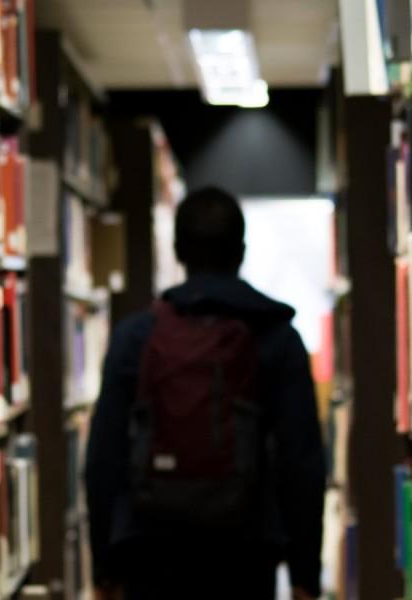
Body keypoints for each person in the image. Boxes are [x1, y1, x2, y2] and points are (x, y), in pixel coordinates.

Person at [84, 187, 326, 600]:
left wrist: (105, 568)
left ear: (178, 251)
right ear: (242, 250)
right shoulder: (278, 339)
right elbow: (301, 461)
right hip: (246, 553)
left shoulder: (135, 338)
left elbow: (103, 458)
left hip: (151, 549)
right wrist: (305, 572)